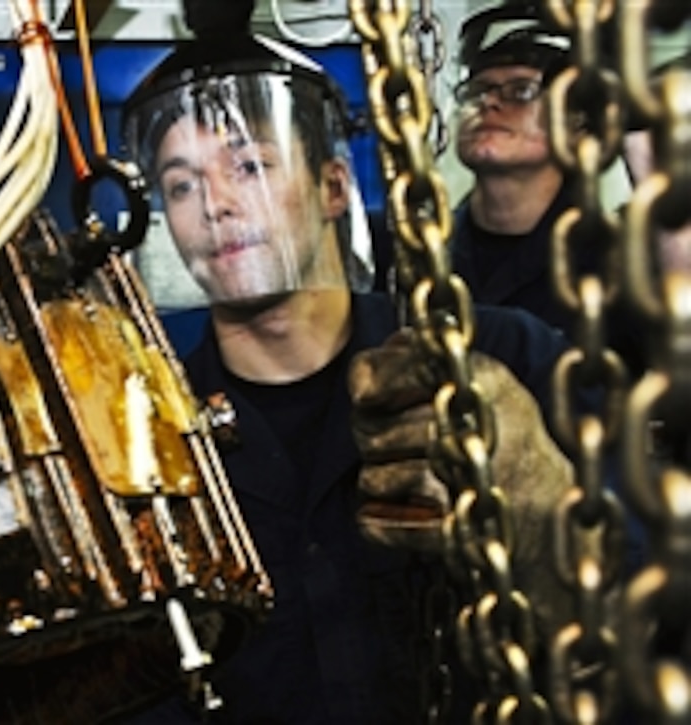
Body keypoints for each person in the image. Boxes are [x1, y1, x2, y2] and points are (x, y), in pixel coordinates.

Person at [120, 6, 589, 723]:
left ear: (334, 186)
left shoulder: (500, 358)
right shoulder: (150, 443)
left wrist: (541, 509)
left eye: (249, 165)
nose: (215, 204)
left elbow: (639, 619)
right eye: (182, 184)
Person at [450, 3, 645, 376]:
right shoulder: (415, 250)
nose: (490, 101)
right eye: (479, 89)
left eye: (520, 91)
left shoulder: (614, 265)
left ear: (576, 123)